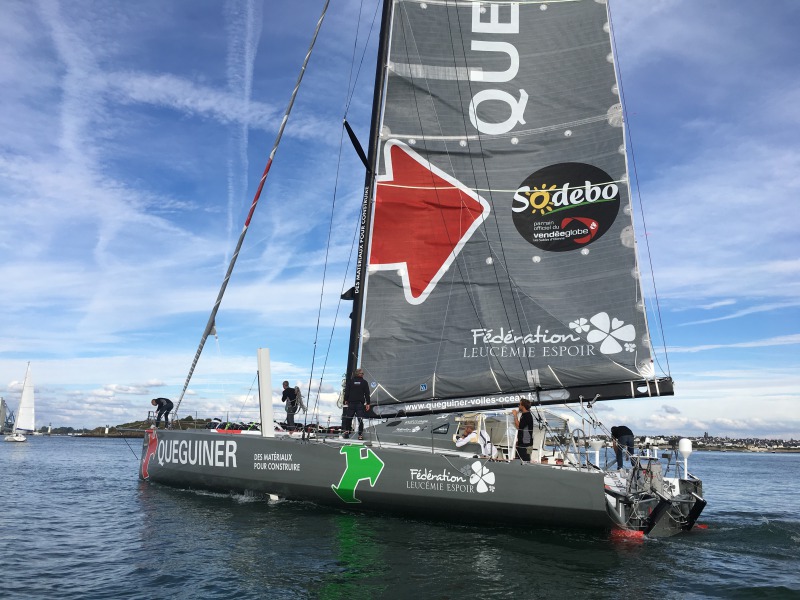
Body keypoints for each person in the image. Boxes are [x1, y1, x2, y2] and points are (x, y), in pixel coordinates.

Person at [342, 368, 370, 440]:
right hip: (359, 404)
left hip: (351, 404)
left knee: (349, 418)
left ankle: (347, 432)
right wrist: (368, 403)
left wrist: (345, 400)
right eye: (362, 373)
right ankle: (360, 435)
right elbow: (367, 393)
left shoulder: (350, 382)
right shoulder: (364, 382)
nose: (363, 375)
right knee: (360, 419)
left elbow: (347, 392)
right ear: (359, 374)